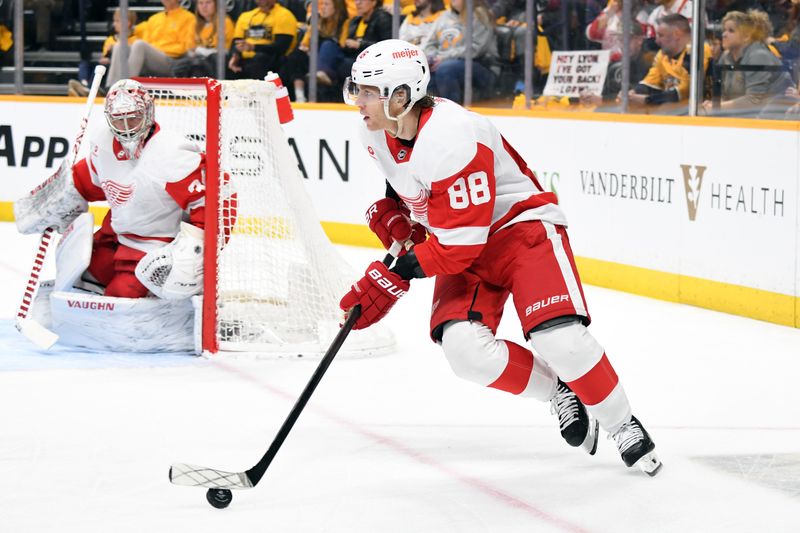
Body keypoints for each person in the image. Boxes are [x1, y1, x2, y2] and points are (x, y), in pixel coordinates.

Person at [338, 39, 662, 476]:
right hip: (460, 239)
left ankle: (622, 423)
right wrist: (397, 220)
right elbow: (407, 187)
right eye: (355, 89)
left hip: (519, 231)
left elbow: (459, 248)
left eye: (368, 91)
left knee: (558, 339)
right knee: (465, 353)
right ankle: (558, 390)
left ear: (401, 95)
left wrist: (394, 274)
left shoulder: (451, 135)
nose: (358, 101)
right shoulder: (374, 130)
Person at [15, 79, 207, 301]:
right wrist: (61, 197)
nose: (126, 128)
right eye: (119, 119)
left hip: (153, 249)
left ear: (148, 112)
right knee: (81, 279)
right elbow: (90, 179)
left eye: (133, 118)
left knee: (120, 297)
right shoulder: (103, 140)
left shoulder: (172, 152)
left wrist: (194, 250)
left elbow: (212, 204)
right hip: (114, 237)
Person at [701, 10, 794, 118]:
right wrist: (712, 105)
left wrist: (718, 107)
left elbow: (753, 101)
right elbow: (725, 97)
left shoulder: (758, 55)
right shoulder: (725, 57)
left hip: (777, 117)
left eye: (731, 31)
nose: (724, 34)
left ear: (746, 36)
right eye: (724, 30)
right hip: (748, 116)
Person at [628, 14, 709, 114]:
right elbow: (650, 81)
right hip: (673, 113)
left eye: (661, 35)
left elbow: (686, 91)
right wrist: (633, 93)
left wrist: (647, 100)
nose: (657, 41)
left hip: (699, 116)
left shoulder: (698, 51)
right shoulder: (662, 55)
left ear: (676, 34)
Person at [105, 0, 196, 88]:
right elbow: (136, 32)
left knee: (139, 45)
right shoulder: (154, 19)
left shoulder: (189, 18)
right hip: (150, 57)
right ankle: (110, 87)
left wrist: (158, 49)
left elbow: (187, 48)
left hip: (172, 61)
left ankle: (125, 88)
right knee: (119, 46)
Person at [422, 0, 498, 103]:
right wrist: (432, 58)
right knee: (425, 72)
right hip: (444, 62)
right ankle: (433, 111)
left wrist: (443, 58)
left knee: (446, 69)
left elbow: (475, 49)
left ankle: (453, 112)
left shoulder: (480, 15)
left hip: (482, 66)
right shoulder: (444, 16)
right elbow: (429, 43)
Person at [282, 0, 350, 102]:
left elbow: (342, 44)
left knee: (327, 44)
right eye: (322, 4)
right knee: (296, 55)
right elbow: (304, 44)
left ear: (336, 8)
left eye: (326, 4)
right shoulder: (317, 21)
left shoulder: (345, 22)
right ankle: (299, 94)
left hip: (333, 55)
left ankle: (323, 73)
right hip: (314, 54)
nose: (322, 7)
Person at [68, 8, 138, 97]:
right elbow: (104, 56)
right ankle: (84, 85)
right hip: (106, 66)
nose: (114, 24)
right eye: (114, 21)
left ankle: (89, 90)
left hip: (117, 69)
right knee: (85, 63)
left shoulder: (134, 41)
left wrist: (110, 60)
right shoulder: (109, 40)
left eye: (117, 21)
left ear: (127, 23)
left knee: (101, 67)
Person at [228, 0, 299, 80]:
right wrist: (235, 55)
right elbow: (237, 42)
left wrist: (253, 47)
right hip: (246, 59)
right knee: (220, 59)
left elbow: (281, 47)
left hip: (273, 59)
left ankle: (262, 91)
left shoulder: (284, 15)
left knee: (260, 58)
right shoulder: (245, 16)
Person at [171, 0, 235, 78]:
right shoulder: (194, 24)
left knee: (203, 63)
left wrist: (200, 50)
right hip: (196, 60)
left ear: (216, 5)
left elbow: (225, 51)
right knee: (181, 65)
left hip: (215, 62)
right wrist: (200, 51)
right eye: (200, 3)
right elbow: (190, 50)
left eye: (208, 3)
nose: (204, 6)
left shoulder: (225, 22)